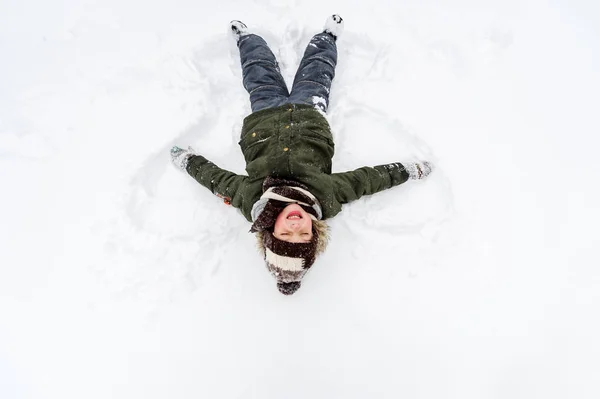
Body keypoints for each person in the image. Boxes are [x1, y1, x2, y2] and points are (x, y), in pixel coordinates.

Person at [170, 15, 433, 295]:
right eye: (303, 233)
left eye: (285, 233)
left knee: (258, 72)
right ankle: (327, 37)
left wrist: (189, 162)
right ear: (315, 232)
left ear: (270, 230)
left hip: (264, 117)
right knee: (317, 70)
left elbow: (217, 180)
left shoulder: (254, 198)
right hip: (309, 115)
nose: (295, 225)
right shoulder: (325, 196)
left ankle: (247, 39)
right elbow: (366, 180)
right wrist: (407, 170)